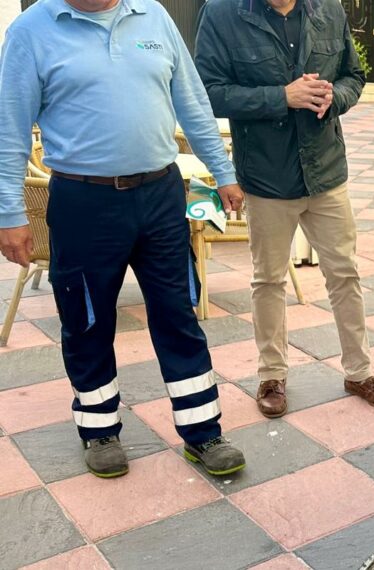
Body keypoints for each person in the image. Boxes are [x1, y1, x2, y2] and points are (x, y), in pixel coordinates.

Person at [0, 0, 247, 478]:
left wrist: (223, 172)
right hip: (82, 200)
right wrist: (9, 212)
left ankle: (203, 432)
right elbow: (9, 131)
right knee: (87, 318)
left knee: (178, 312)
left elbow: (192, 103)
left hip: (160, 194)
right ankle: (99, 431)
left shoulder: (153, 15)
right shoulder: (33, 30)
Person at [194, 0, 374, 418]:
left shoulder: (329, 10)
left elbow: (353, 77)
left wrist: (333, 97)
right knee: (268, 280)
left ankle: (360, 372)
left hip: (326, 171)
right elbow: (208, 93)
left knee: (345, 273)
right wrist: (281, 97)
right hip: (267, 176)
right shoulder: (222, 14)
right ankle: (272, 375)